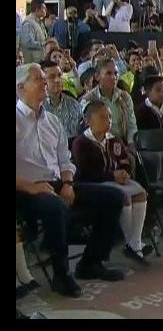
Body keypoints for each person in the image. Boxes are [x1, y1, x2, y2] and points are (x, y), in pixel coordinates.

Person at [16, 64, 125, 298]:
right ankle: (61, 274)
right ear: (20, 87)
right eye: (39, 79)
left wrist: (67, 183)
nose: (45, 83)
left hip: (57, 184)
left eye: (45, 78)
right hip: (25, 190)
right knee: (55, 208)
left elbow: (65, 160)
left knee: (114, 197)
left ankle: (90, 263)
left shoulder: (52, 121)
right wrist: (33, 188)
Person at [72, 100, 151, 265]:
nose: (108, 121)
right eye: (102, 117)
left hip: (117, 179)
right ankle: (133, 245)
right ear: (88, 121)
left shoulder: (114, 140)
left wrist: (124, 172)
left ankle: (134, 241)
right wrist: (111, 176)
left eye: (109, 117)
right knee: (124, 197)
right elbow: (85, 173)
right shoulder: (81, 143)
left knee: (141, 193)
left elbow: (123, 160)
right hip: (96, 184)